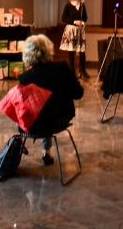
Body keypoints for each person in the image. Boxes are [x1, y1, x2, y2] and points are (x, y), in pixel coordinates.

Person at [18, 34, 84, 165]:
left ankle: (43, 152)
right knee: (49, 111)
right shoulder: (63, 68)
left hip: (32, 124)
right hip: (59, 119)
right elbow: (78, 93)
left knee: (41, 111)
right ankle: (46, 153)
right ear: (48, 50)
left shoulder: (24, 78)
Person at [60, 0, 88, 80]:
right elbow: (64, 18)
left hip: (80, 31)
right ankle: (72, 71)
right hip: (71, 30)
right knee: (71, 51)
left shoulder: (82, 5)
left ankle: (82, 71)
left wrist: (82, 22)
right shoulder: (68, 6)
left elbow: (85, 17)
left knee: (82, 51)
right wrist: (74, 22)